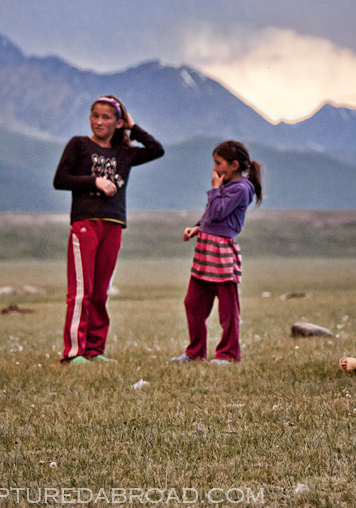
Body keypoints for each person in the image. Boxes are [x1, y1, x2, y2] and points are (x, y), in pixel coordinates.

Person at [53, 95, 164, 364]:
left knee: (101, 292)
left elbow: (156, 149)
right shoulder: (78, 145)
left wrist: (133, 127)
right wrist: (95, 181)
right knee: (82, 291)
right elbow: (60, 180)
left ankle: (94, 350)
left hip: (113, 224)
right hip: (85, 223)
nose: (99, 121)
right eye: (95, 116)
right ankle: (74, 352)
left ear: (118, 123)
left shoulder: (124, 154)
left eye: (106, 117)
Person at [171, 140, 263, 364]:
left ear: (234, 165)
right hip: (205, 250)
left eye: (218, 163)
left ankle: (229, 353)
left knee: (227, 308)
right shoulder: (225, 185)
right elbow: (210, 214)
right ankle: (195, 351)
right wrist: (197, 227)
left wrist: (214, 189)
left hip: (221, 252)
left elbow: (219, 211)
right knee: (192, 303)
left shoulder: (241, 189)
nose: (215, 168)